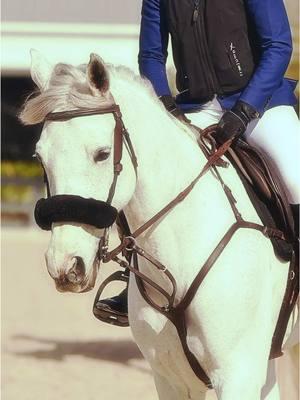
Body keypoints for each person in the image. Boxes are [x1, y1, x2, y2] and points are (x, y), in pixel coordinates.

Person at [94, 0, 299, 324]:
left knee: (295, 178)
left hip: (262, 102)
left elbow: (278, 46)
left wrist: (244, 110)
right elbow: (151, 56)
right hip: (196, 106)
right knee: (147, 171)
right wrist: (165, 105)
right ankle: (132, 278)